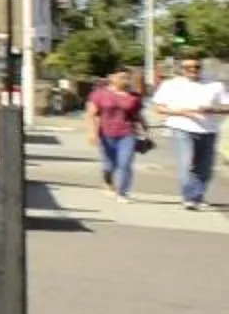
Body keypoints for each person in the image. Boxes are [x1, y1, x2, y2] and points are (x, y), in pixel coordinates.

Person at [148, 56, 229, 212]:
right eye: (188, 67)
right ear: (181, 69)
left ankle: (197, 195)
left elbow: (227, 107)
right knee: (186, 164)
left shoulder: (215, 85)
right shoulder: (170, 85)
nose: (193, 70)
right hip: (181, 128)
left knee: (205, 168)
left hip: (208, 130)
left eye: (196, 67)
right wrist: (182, 112)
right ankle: (189, 198)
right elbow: (159, 108)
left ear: (201, 68)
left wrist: (211, 110)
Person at [87, 68, 145, 203]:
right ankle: (108, 183)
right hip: (106, 133)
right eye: (121, 77)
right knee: (109, 165)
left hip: (127, 133)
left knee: (125, 163)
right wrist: (92, 133)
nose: (125, 80)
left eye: (127, 77)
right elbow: (91, 114)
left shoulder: (133, 96)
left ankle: (122, 193)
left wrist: (145, 129)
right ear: (112, 78)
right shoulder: (100, 94)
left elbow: (137, 115)